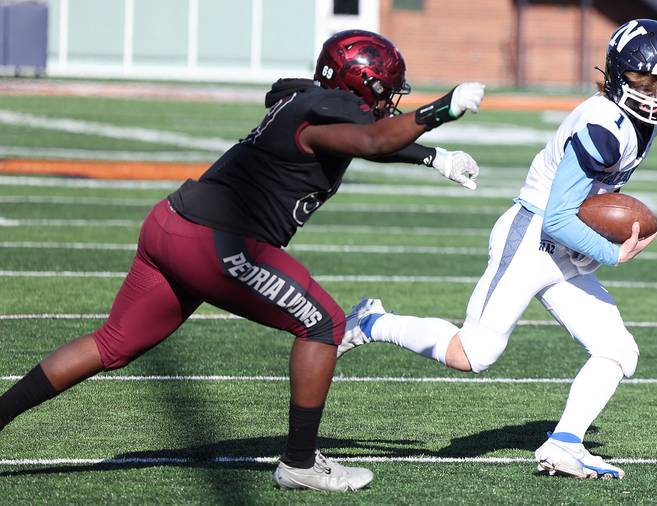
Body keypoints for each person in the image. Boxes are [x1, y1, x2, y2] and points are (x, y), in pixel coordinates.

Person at [0, 29, 485, 491]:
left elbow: (358, 136)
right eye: (388, 91)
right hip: (217, 242)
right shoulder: (329, 113)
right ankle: (300, 463)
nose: (391, 100)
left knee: (111, 344)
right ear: (364, 83)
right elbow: (375, 139)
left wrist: (432, 157)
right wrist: (444, 109)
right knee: (324, 324)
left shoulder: (308, 104)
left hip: (170, 223)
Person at [339, 19, 657, 480]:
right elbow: (560, 217)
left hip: (566, 250)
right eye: (648, 81)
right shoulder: (603, 125)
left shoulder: (638, 119)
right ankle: (371, 321)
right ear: (621, 75)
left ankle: (565, 443)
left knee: (618, 349)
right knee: (473, 355)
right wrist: (610, 253)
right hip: (533, 240)